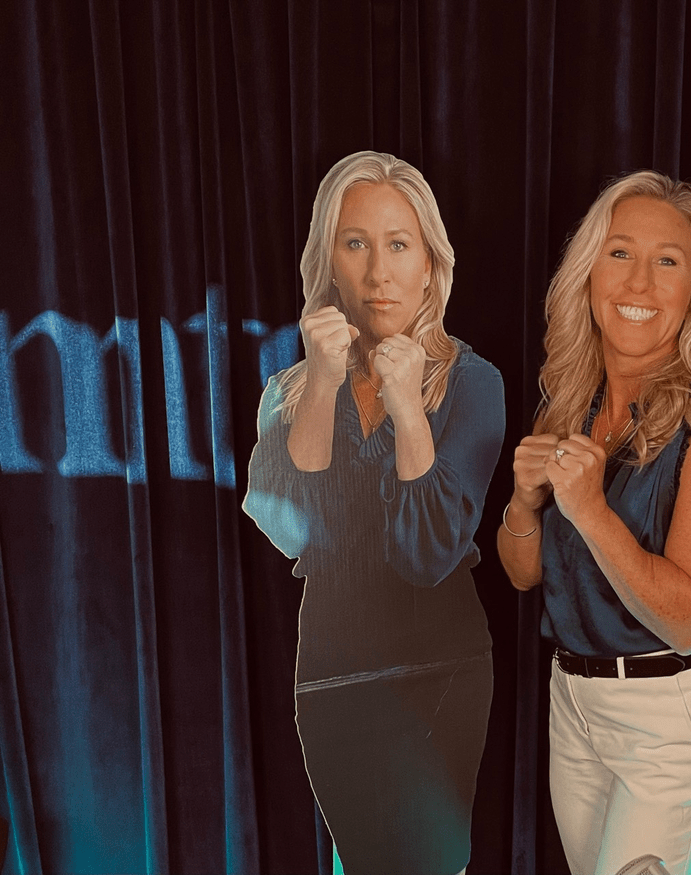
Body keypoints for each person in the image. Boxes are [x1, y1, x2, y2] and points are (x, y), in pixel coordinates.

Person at [498, 170, 691, 875]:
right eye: (619, 252)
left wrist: (589, 509)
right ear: (588, 273)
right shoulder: (569, 405)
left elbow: (690, 621)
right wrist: (523, 503)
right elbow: (523, 574)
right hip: (575, 703)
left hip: (672, 718)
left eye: (667, 261)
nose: (639, 282)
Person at [243, 151, 504, 875]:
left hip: (440, 669)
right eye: (355, 243)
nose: (378, 271)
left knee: (432, 862)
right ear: (328, 261)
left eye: (399, 245)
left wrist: (407, 409)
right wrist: (324, 382)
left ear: (430, 265)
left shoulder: (474, 383)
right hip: (334, 676)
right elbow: (289, 528)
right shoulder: (287, 391)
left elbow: (429, 554)